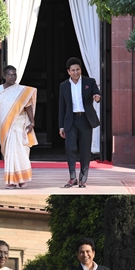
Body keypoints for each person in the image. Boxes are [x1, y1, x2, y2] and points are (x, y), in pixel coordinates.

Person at [0, 65, 37, 189]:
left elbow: (28, 107)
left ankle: (21, 179)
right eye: (10, 74)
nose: (13, 77)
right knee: (10, 153)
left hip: (20, 125)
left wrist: (32, 123)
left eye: (14, 74)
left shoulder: (20, 91)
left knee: (21, 152)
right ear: (4, 76)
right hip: (6, 127)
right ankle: (11, 181)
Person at [58, 57, 102, 188]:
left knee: (85, 150)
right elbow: (62, 107)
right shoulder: (64, 86)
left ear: (80, 70)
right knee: (70, 148)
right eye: (73, 70)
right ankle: (72, 178)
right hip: (70, 120)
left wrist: (97, 97)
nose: (76, 72)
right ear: (68, 72)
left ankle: (83, 179)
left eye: (78, 69)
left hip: (85, 120)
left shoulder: (90, 82)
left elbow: (97, 93)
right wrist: (61, 126)